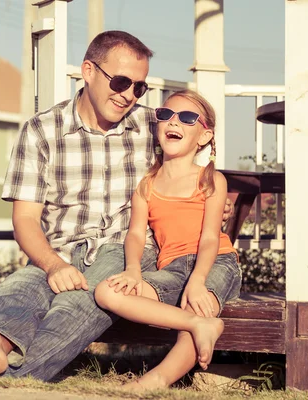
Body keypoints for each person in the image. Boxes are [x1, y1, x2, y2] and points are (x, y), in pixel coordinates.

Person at [0, 30, 232, 381]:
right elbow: (25, 219)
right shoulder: (41, 131)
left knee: (79, 302)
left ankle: (9, 374)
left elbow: (192, 167)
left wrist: (216, 204)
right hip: (59, 247)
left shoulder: (155, 124)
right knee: (22, 288)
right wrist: (52, 264)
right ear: (88, 70)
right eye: (120, 82)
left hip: (123, 250)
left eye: (139, 87)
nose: (128, 96)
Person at [94, 89, 242, 391]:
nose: (174, 122)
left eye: (187, 118)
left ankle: (156, 380)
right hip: (171, 269)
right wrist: (133, 269)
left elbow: (211, 238)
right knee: (106, 292)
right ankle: (200, 325)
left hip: (215, 264)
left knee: (197, 305)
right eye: (165, 115)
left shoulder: (212, 179)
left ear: (204, 136)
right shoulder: (147, 184)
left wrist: (198, 280)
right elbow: (135, 233)